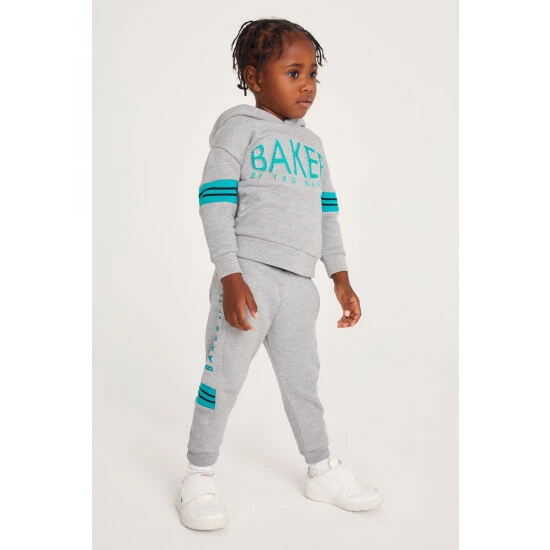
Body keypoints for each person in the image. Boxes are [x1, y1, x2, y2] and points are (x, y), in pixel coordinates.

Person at [176, 18, 383, 531]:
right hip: (249, 278)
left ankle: (321, 469)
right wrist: (230, 275)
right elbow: (214, 204)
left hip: (298, 286)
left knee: (302, 382)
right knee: (222, 378)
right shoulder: (238, 129)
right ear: (254, 77)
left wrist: (339, 276)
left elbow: (327, 214)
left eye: (313, 74)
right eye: (293, 73)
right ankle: (198, 475)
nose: (307, 84)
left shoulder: (314, 146)